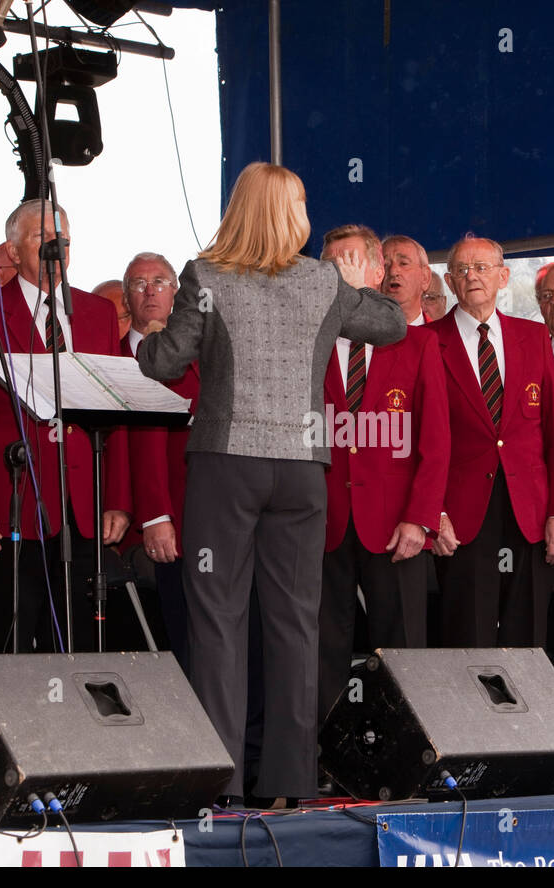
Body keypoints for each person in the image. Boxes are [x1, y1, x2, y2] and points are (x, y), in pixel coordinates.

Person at [137, 162, 405, 805]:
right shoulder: (321, 280)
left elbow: (166, 363)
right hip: (303, 469)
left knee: (219, 622)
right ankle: (292, 780)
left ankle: (221, 780)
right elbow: (393, 324)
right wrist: (350, 287)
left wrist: (147, 336)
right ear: (292, 214)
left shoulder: (206, 275)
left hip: (228, 464)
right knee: (295, 624)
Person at [0, 200, 130, 653]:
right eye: (41, 238)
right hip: (9, 508)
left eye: (63, 239)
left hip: (83, 509)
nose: (55, 246)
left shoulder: (97, 314)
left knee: (81, 645)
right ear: (13, 249)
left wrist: (117, 499)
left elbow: (116, 409)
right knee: (5, 648)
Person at [317, 225, 449, 723]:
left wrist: (420, 519)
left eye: (353, 261)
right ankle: (317, 761)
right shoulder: (306, 342)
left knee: (403, 650)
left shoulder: (418, 346)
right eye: (333, 264)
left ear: (378, 271)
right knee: (319, 646)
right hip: (320, 519)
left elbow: (436, 444)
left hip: (397, 525)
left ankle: (408, 755)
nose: (343, 272)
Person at [430, 234, 554, 648]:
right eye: (461, 269)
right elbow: (420, 439)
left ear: (503, 276)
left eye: (481, 268)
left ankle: (527, 717)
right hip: (460, 516)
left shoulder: (533, 338)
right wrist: (433, 511)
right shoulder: (427, 341)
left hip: (530, 510)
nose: (471, 276)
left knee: (528, 639)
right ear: (449, 281)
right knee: (467, 639)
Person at [122, 253, 198, 668]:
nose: (149, 290)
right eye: (137, 284)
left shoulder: (198, 356)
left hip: (207, 516)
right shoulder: (110, 357)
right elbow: (140, 439)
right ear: (125, 300)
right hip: (152, 527)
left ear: (176, 294)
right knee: (175, 641)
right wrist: (155, 515)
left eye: (160, 282)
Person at [380, 234, 433, 326]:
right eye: (385, 265)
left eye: (403, 263)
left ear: (425, 277)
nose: (392, 271)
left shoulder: (441, 338)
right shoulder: (359, 336)